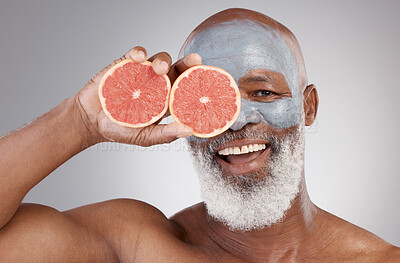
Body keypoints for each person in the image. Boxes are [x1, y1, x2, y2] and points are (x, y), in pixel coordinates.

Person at [0, 7, 398, 262]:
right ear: (177, 108)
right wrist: (80, 122)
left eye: (263, 91)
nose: (236, 120)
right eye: (209, 99)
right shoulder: (137, 244)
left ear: (308, 106)